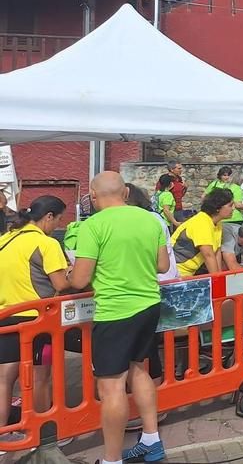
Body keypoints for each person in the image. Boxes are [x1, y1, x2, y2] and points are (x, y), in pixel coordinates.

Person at [68, 172, 170, 464]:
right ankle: (151, 439)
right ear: (125, 192)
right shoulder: (149, 219)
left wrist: (68, 274)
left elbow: (80, 279)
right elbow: (162, 265)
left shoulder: (93, 226)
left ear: (92, 195)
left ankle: (111, 460)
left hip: (115, 311)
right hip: (149, 304)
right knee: (140, 370)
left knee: (111, 386)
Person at [0, 196, 69, 439]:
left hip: (6, 317)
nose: (58, 225)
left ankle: (4, 435)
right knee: (41, 376)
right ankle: (43, 434)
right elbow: (61, 283)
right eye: (59, 219)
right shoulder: (45, 243)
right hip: (38, 321)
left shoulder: (5, 239)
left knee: (5, 378)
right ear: (49, 216)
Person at [173, 188, 234, 277]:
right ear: (217, 208)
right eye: (230, 205)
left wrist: (220, 277)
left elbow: (216, 252)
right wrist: (217, 280)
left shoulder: (217, 223)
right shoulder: (201, 222)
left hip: (188, 273)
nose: (234, 208)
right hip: (175, 272)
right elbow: (208, 255)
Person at [127, 183, 180, 281]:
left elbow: (159, 264)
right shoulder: (149, 217)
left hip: (160, 280)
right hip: (159, 277)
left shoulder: (148, 220)